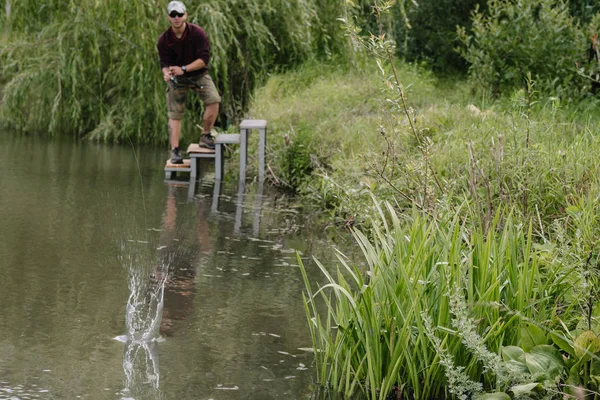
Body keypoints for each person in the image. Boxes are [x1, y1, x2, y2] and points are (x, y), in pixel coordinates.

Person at [157, 1, 221, 164]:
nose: (176, 18)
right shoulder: (163, 40)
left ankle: (206, 136)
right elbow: (164, 63)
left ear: (185, 15)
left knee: (213, 100)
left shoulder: (197, 33)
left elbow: (204, 60)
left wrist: (184, 69)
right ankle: (175, 151)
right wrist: (166, 74)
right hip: (177, 79)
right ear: (168, 18)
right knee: (175, 113)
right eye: (173, 15)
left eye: (179, 14)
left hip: (198, 75)